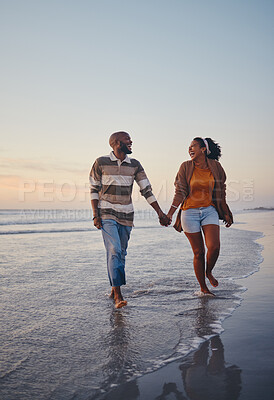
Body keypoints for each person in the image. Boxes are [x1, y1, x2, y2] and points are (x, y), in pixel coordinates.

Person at [89, 131, 169, 308]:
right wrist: (95, 214)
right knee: (114, 250)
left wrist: (160, 213)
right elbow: (94, 189)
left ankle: (113, 286)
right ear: (116, 143)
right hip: (106, 213)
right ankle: (118, 295)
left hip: (127, 215)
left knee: (121, 253)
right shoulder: (100, 162)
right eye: (127, 139)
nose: (131, 142)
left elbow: (146, 190)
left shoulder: (135, 164)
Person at [166, 137, 233, 296]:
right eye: (189, 147)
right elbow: (180, 192)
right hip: (189, 212)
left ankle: (208, 271)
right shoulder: (185, 167)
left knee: (214, 247)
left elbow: (221, 192)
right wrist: (170, 213)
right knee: (199, 252)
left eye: (193, 146)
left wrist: (226, 212)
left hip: (209, 210)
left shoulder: (216, 167)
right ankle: (203, 287)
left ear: (203, 149)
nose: (190, 149)